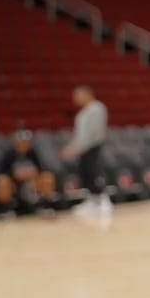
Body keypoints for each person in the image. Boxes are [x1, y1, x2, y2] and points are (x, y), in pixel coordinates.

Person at [60, 86, 110, 216]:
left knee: (93, 172)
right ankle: (92, 200)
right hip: (82, 148)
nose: (75, 99)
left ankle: (102, 200)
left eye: (78, 95)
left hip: (91, 147)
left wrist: (77, 148)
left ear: (87, 94)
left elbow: (94, 133)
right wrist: (72, 147)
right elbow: (79, 135)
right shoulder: (83, 113)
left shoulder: (97, 108)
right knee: (84, 173)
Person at [0, 128, 56, 218]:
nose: (24, 144)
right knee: (2, 180)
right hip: (14, 183)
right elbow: (1, 171)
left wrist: (33, 174)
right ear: (16, 143)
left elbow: (41, 169)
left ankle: (44, 206)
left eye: (26, 142)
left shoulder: (33, 153)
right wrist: (14, 175)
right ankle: (6, 209)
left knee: (47, 177)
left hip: (32, 182)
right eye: (21, 142)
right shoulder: (9, 155)